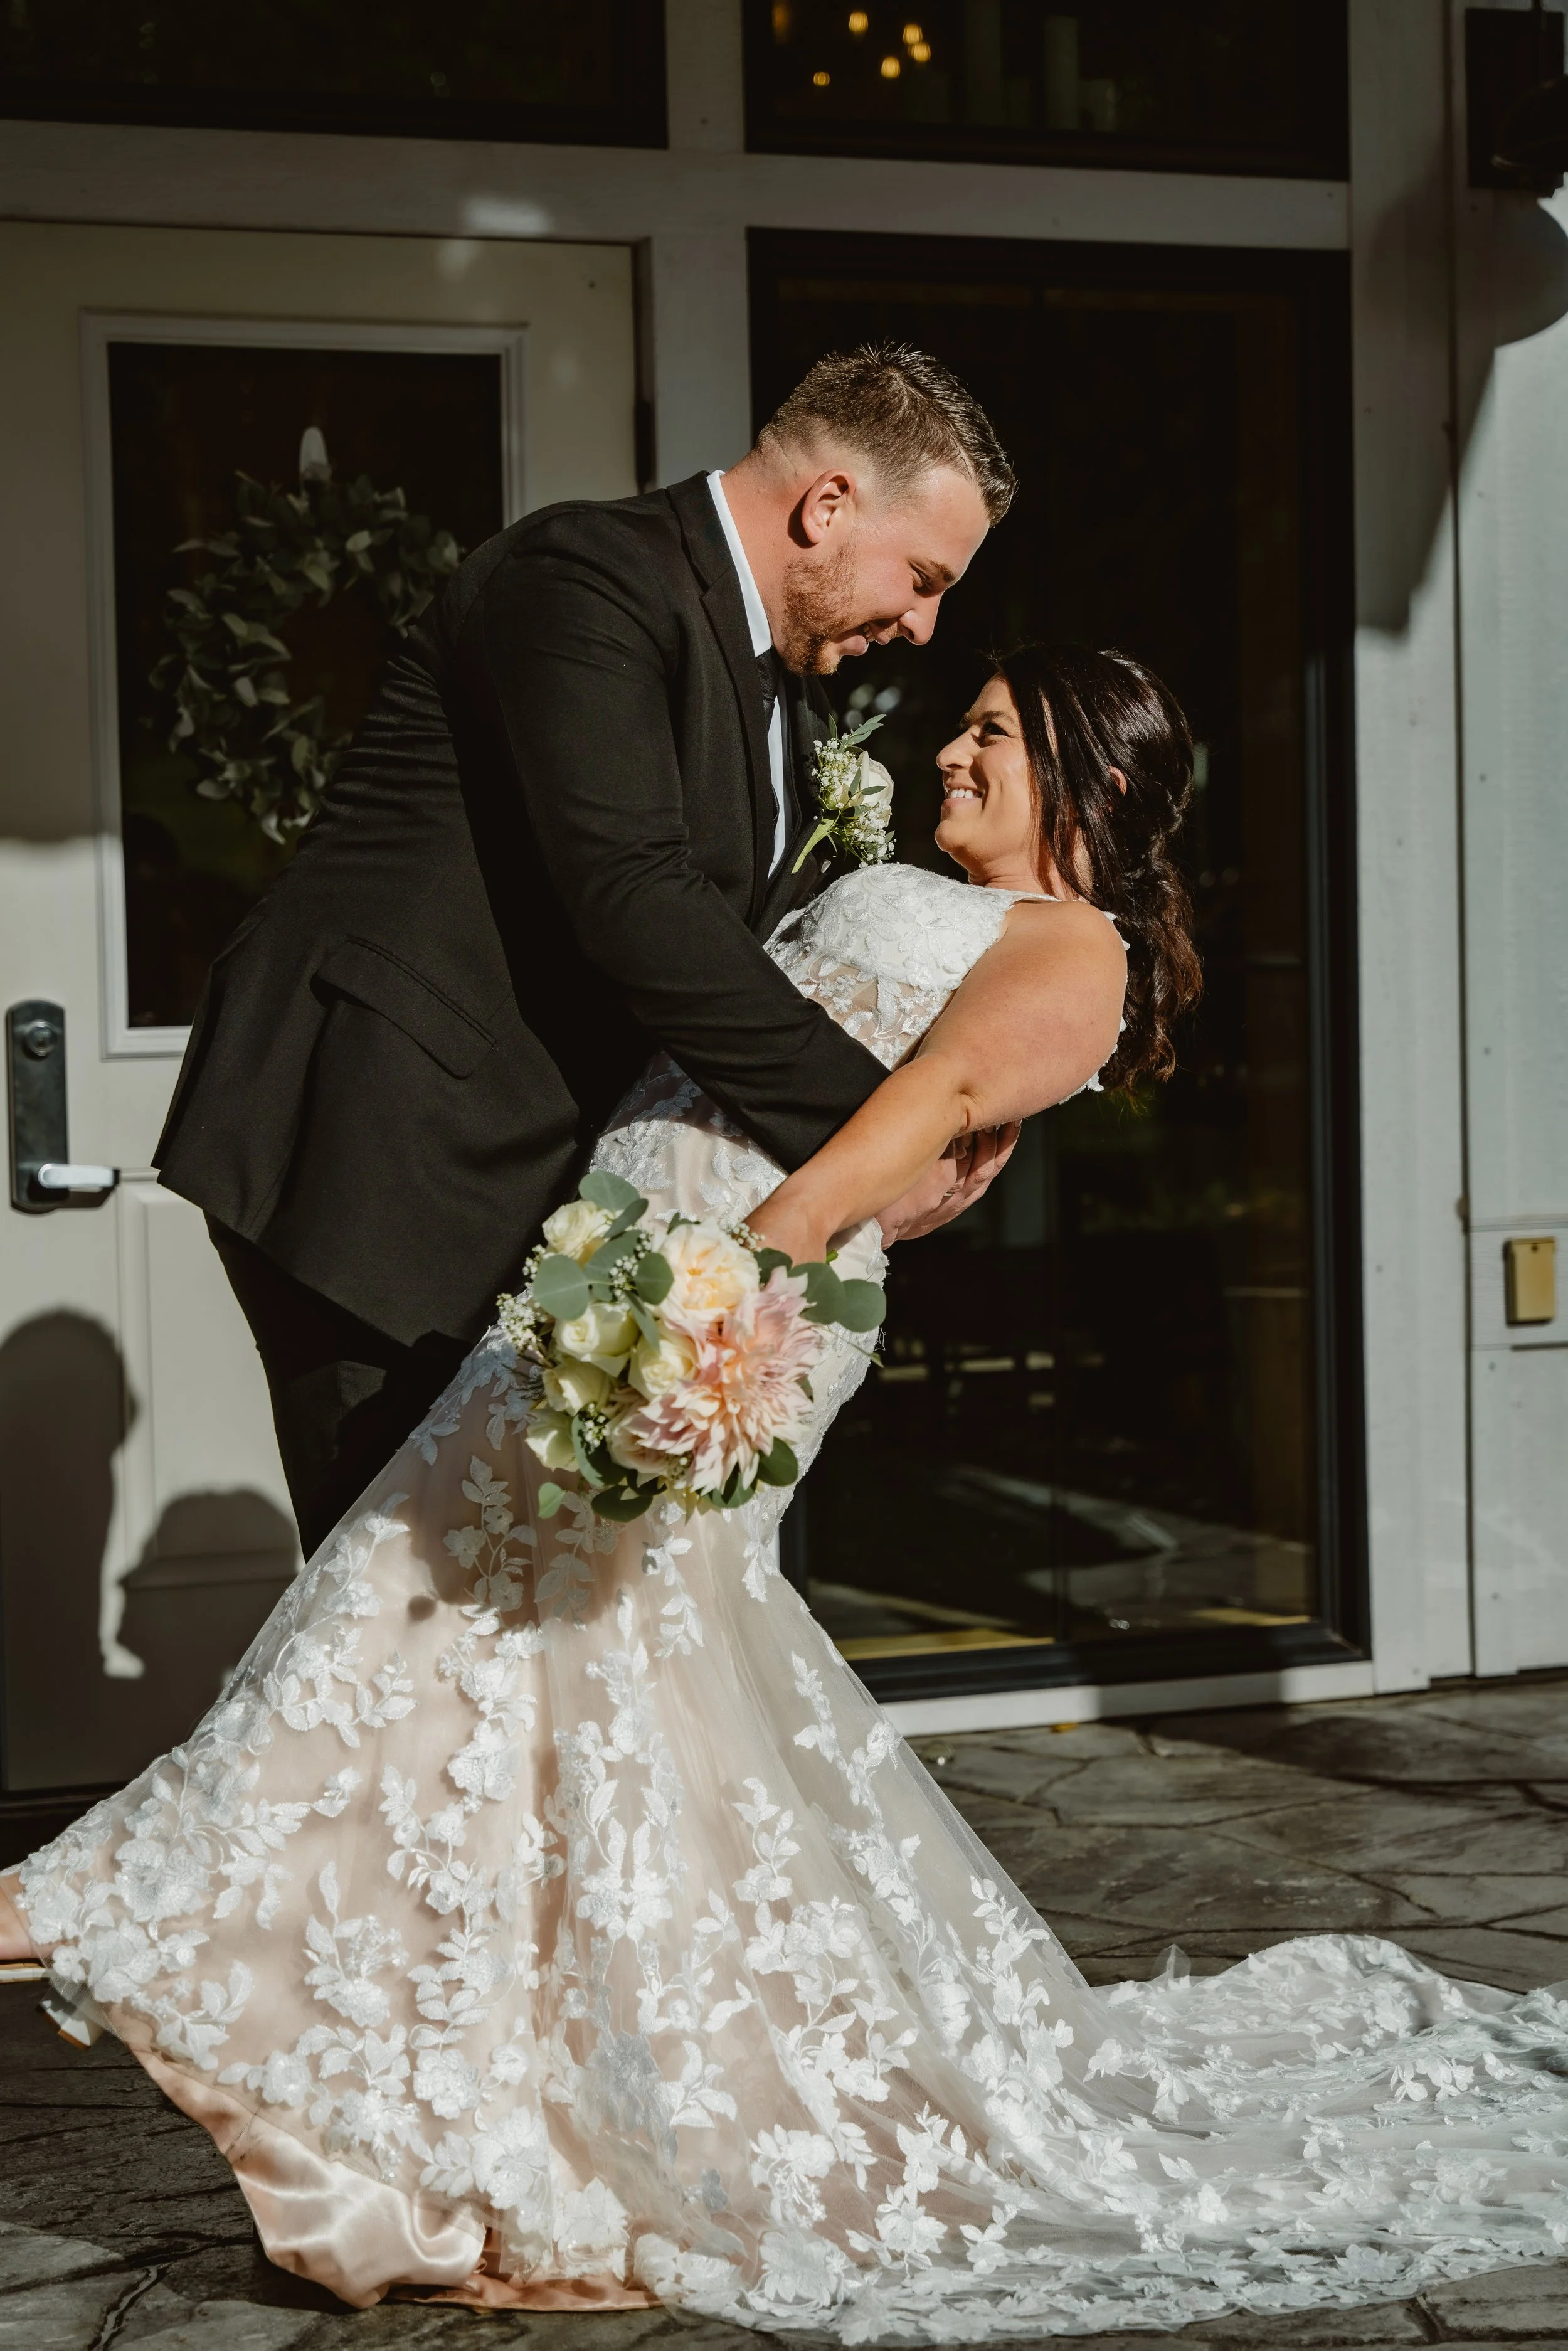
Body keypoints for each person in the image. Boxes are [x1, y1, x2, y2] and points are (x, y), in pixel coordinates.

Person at [9, 644, 1568, 2342]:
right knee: (497, 1624)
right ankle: (483, 2069)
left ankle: (146, 1911)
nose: (951, 750)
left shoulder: (1074, 946)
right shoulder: (902, 882)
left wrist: (753, 1255)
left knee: (497, 1611)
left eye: (991, 732)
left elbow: (944, 1102)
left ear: (1088, 778)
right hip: (630, 1253)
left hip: (729, 1288)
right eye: (960, 721)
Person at [154, 344, 1019, 1560]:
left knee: (503, 1618)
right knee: (404, 1613)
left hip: (518, 1189)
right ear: (825, 506)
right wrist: (879, 1128)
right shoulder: (587, 579)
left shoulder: (788, 682)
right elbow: (631, 899)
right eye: (920, 577)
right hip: (381, 1163)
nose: (922, 624)